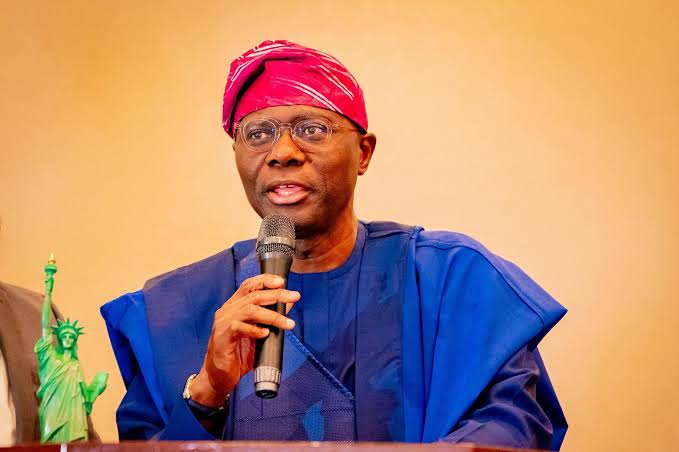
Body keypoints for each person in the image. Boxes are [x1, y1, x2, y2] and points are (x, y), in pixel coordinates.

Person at [101, 40, 568, 449]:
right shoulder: (177, 307)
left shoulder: (449, 281)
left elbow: (514, 426)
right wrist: (206, 392)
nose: (283, 152)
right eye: (258, 134)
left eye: (312, 129)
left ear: (363, 152)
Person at [0, 280, 100, 445]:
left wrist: (91, 394)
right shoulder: (50, 357)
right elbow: (45, 327)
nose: (67, 339)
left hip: (68, 425)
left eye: (71, 336)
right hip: (56, 417)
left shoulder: (30, 309)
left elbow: (83, 399)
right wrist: (47, 294)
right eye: (65, 335)